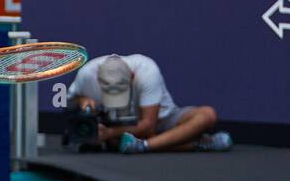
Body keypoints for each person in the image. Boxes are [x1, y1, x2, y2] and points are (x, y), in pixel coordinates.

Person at [68, 53, 232, 154]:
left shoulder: (147, 70)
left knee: (207, 115)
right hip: (119, 128)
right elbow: (71, 102)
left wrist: (109, 134)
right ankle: (194, 144)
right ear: (99, 80)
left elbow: (149, 126)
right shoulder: (86, 75)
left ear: (132, 77)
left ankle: (143, 146)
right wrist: (82, 100)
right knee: (111, 142)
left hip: (161, 121)